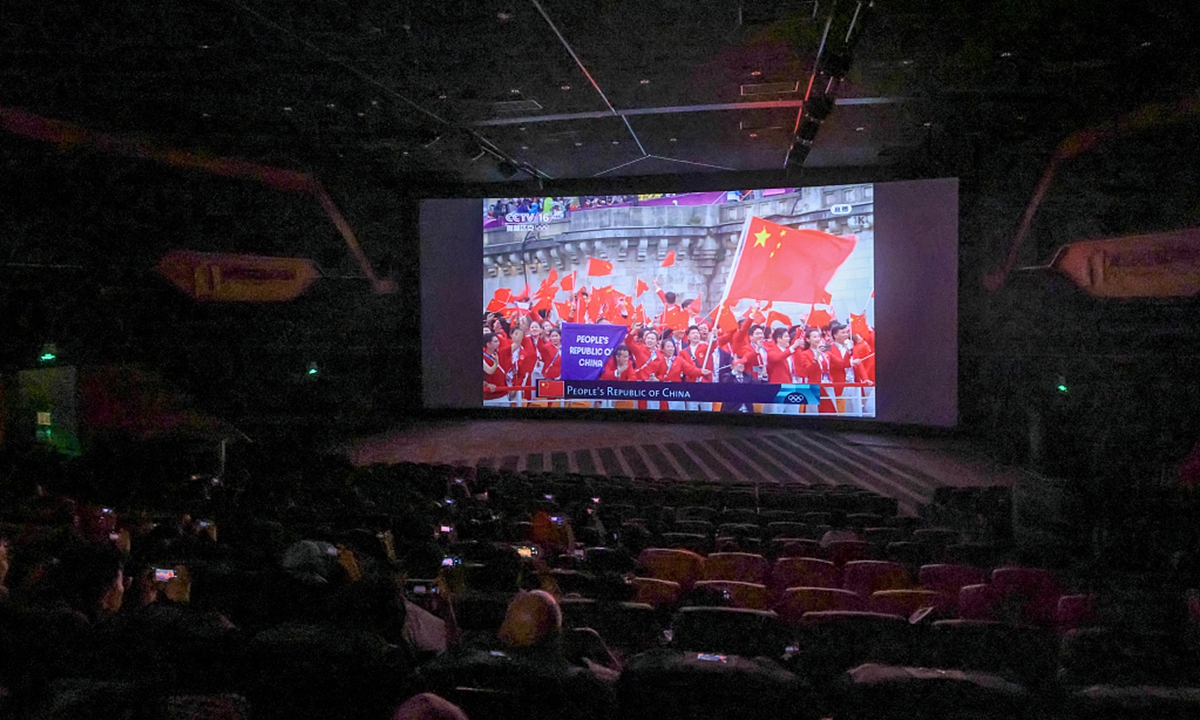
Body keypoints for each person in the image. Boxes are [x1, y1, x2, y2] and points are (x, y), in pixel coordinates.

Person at [794, 327, 836, 414]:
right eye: (814, 337)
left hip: (827, 384)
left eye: (818, 337)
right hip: (814, 385)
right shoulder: (805, 354)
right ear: (808, 339)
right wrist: (816, 356)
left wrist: (849, 352)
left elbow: (841, 363)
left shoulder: (826, 353)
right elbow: (809, 370)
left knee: (830, 411)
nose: (818, 339)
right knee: (814, 412)